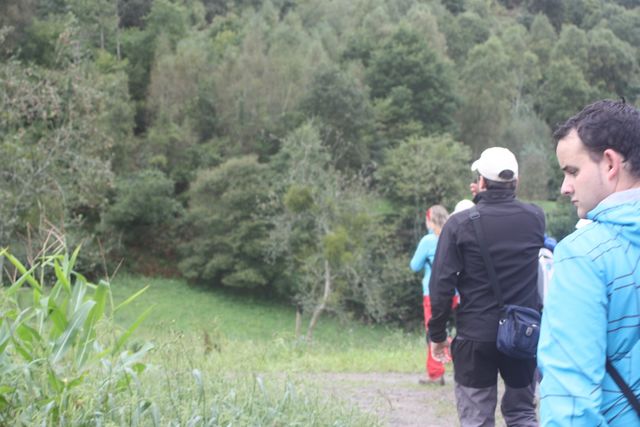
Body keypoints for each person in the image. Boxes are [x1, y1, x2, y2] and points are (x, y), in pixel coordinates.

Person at [537, 100, 640, 426]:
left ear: (610, 164)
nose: (566, 188)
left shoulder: (583, 255)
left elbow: (570, 403)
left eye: (572, 171)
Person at [428, 147, 545, 426]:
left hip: (475, 336)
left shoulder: (459, 224)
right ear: (515, 181)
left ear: (480, 182)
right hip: (521, 334)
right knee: (522, 414)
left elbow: (441, 285)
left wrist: (438, 334)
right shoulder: (535, 218)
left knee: (476, 419)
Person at [410, 205, 456, 385]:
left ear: (430, 220)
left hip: (433, 292)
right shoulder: (452, 236)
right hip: (456, 292)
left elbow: (415, 265)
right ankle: (457, 352)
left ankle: (436, 373)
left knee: (433, 331)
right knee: (452, 328)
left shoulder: (428, 240)